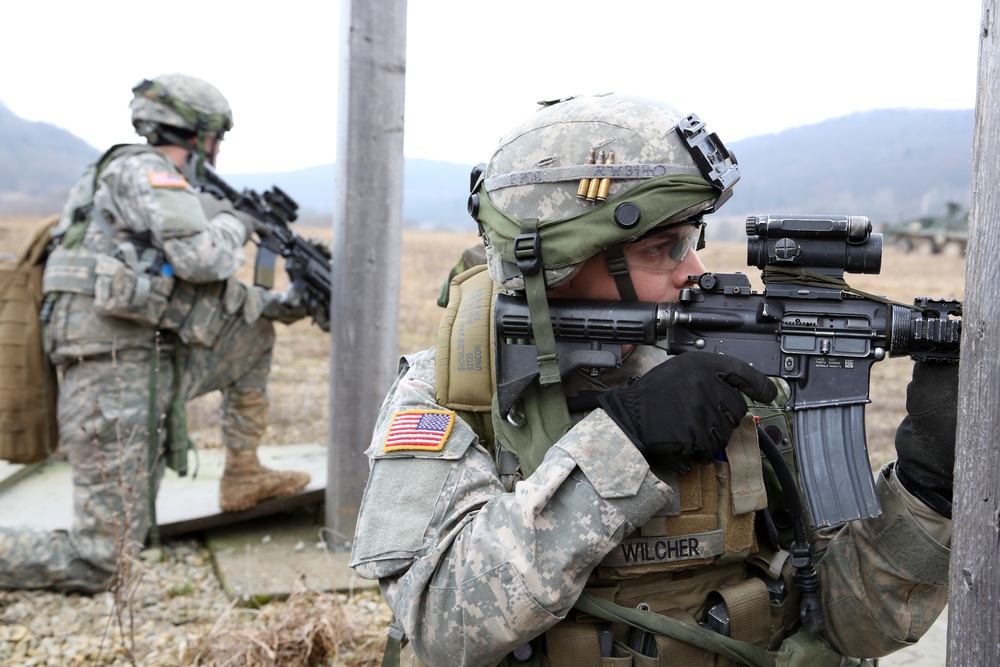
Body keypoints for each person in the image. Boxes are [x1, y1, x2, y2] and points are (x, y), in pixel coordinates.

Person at [349, 94, 957, 666]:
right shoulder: (458, 392)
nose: (694, 270)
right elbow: (443, 622)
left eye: (692, 241)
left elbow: (850, 619)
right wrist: (623, 440)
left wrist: (926, 486)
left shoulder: (743, 379)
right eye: (663, 248)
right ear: (563, 261)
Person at [0, 73, 317, 594]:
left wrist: (286, 305)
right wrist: (240, 222)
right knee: (102, 561)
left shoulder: (141, 184)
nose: (216, 152)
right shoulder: (144, 171)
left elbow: (211, 296)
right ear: (199, 135)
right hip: (110, 368)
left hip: (143, 356)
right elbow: (204, 258)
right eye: (216, 139)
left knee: (253, 333)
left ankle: (243, 472)